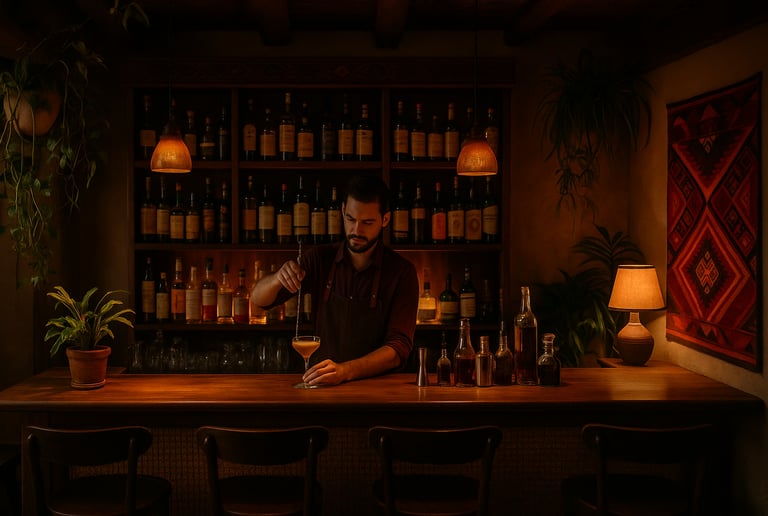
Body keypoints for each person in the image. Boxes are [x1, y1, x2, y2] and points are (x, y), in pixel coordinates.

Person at [251, 175, 419, 386]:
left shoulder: (402, 272)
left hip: (378, 390)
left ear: (385, 219)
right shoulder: (319, 259)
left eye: (367, 222)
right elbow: (259, 300)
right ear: (341, 211)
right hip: (324, 386)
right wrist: (277, 278)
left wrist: (345, 371)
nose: (356, 230)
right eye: (350, 219)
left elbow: (398, 348)